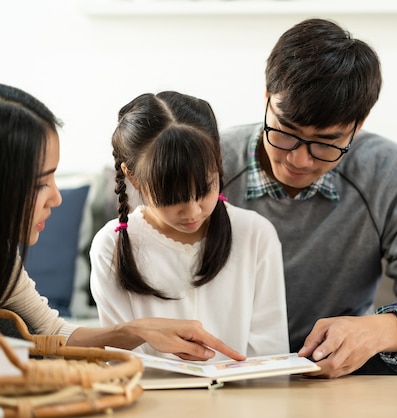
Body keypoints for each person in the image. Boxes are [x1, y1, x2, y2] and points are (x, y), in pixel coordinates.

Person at [220, 18, 397, 378]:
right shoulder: (209, 161)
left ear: (360, 123)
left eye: (326, 143)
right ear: (266, 98)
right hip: (218, 369)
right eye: (286, 132)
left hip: (340, 375)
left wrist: (382, 329)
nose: (298, 159)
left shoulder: (390, 173)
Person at [0, 83, 245, 362]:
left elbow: (52, 333)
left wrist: (138, 330)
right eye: (40, 183)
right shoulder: (110, 244)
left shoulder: (5, 260)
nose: (56, 198)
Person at [89, 91, 288, 360]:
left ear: (218, 159)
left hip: (244, 398)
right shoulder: (110, 247)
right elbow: (119, 359)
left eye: (204, 190)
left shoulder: (255, 234)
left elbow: (270, 352)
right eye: (173, 198)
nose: (193, 211)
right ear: (133, 178)